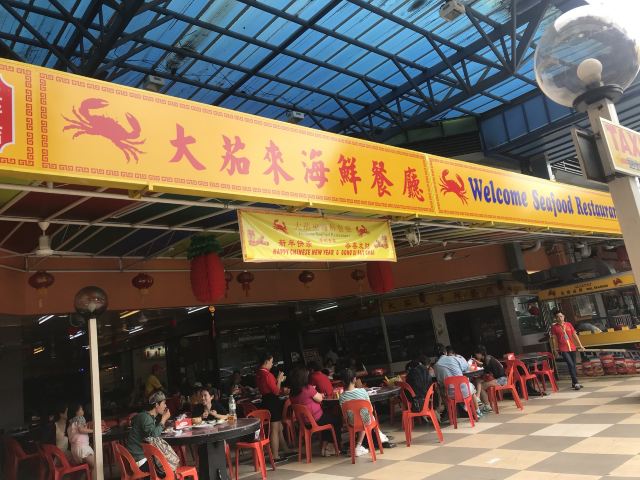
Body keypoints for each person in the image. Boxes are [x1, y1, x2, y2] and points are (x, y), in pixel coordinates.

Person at [338, 368, 395, 456]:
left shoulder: (342, 397)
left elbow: (344, 413)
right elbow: (370, 409)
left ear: (342, 381)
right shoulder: (362, 391)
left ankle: (359, 445)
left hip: (351, 423)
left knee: (360, 417)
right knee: (367, 416)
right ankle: (364, 443)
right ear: (354, 379)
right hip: (365, 422)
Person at [289, 365, 342, 457]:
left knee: (327, 419)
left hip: (304, 423)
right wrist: (318, 394)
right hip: (316, 419)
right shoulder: (308, 388)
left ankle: (325, 447)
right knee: (336, 420)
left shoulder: (292, 393)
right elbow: (320, 399)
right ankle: (332, 447)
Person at [255, 353, 290, 460]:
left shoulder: (259, 373)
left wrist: (277, 381)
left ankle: (286, 450)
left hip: (266, 400)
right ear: (266, 362)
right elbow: (276, 391)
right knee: (275, 429)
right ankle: (275, 455)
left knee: (279, 427)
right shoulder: (267, 374)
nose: (272, 364)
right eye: (271, 362)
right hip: (272, 401)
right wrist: (279, 380)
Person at [126, 391, 172, 472]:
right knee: (168, 469)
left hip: (135, 457)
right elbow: (153, 435)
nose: (166, 406)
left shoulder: (145, 416)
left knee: (166, 463)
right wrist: (164, 419)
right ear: (156, 405)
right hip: (139, 459)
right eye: (164, 403)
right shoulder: (146, 418)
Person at [435, 345, 482, 416]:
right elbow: (467, 367)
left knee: (441, 390)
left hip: (450, 394)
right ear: (445, 352)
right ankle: (477, 411)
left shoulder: (436, 366)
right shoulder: (454, 358)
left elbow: (441, 382)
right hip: (465, 391)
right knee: (470, 386)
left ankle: (452, 413)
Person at [550, 309, 585, 390]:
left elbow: (574, 335)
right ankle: (576, 383)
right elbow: (554, 339)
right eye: (558, 317)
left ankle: (573, 383)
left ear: (564, 316)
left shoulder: (569, 324)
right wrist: (555, 349)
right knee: (570, 364)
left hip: (572, 347)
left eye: (561, 316)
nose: (560, 318)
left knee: (573, 365)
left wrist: (580, 345)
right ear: (555, 318)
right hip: (563, 349)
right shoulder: (554, 327)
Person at [473, 345, 507, 413]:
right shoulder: (488, 357)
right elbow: (484, 365)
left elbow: (487, 373)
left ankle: (486, 406)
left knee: (480, 386)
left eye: (476, 354)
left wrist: (479, 377)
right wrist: (477, 362)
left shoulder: (487, 360)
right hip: (500, 378)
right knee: (478, 382)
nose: (476, 356)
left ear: (480, 353)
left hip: (501, 380)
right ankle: (480, 401)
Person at [67, 403, 95, 470]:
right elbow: (81, 430)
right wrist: (94, 430)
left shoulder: (71, 422)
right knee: (96, 466)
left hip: (74, 450)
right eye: (81, 409)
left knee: (87, 469)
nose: (83, 411)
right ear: (76, 412)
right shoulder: (80, 418)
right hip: (83, 449)